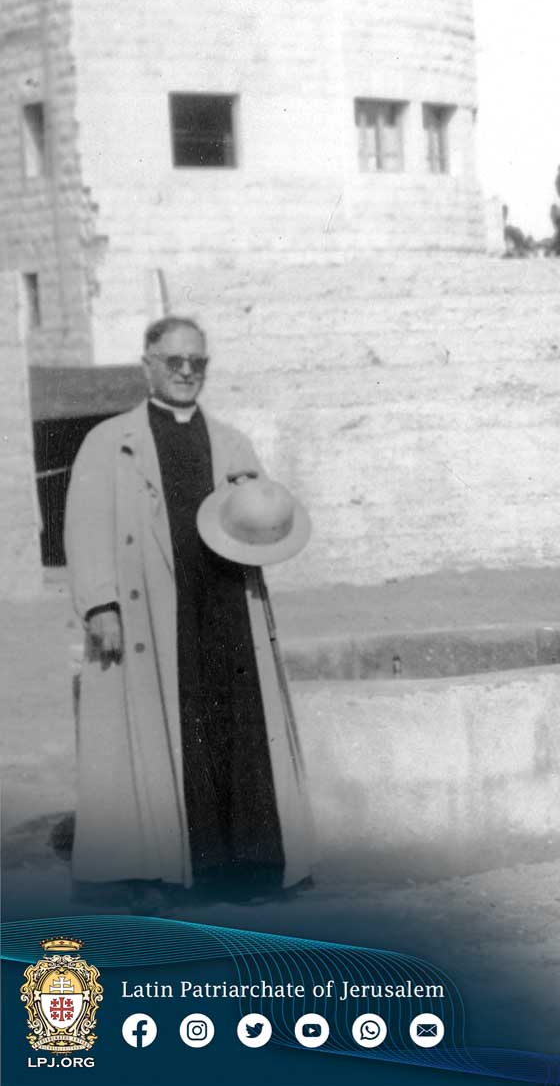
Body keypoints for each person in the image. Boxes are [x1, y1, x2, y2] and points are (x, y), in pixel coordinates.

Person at [63, 316, 318, 905]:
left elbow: (263, 520)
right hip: (153, 614)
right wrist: (100, 605)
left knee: (240, 731)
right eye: (173, 361)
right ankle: (171, 870)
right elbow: (85, 527)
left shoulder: (231, 440)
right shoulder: (110, 443)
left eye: (196, 362)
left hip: (227, 606)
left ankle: (250, 866)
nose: (185, 372)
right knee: (166, 733)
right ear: (147, 364)